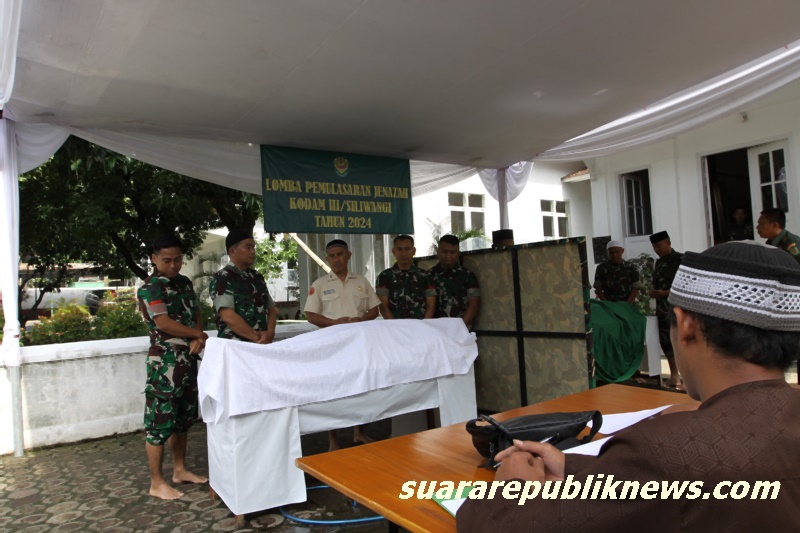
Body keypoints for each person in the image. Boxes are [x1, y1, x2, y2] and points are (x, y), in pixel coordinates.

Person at [457, 241, 800, 531]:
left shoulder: (666, 449)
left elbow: (499, 525)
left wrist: (514, 484)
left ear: (685, 326)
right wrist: (574, 468)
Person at [137, 235, 209, 500]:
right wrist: (197, 335)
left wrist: (197, 335)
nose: (174, 265)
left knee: (182, 419)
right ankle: (157, 482)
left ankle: (180, 470)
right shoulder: (151, 287)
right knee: (158, 423)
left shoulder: (184, 283)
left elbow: (197, 312)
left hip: (187, 361)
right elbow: (164, 322)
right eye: (167, 260)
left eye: (178, 259)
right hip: (164, 363)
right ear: (154, 259)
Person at [304, 239, 381, 450]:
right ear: (327, 258)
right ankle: (333, 439)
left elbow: (374, 309)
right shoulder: (319, 285)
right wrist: (333, 323)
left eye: (340, 254)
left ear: (348, 256)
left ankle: (358, 432)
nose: (337, 259)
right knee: (333, 390)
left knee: (359, 387)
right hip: (333, 346)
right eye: (332, 256)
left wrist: (362, 321)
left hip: (358, 344)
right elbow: (310, 315)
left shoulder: (361, 281)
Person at [209, 229, 278, 343]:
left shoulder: (257, 277)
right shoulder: (223, 278)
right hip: (236, 347)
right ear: (232, 251)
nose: (253, 251)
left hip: (261, 345)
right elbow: (228, 316)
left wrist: (270, 333)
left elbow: (271, 309)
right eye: (248, 247)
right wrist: (257, 338)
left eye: (253, 247)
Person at [648, 230, 683, 389]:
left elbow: (684, 286)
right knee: (667, 343)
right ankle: (674, 376)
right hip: (662, 310)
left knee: (682, 343)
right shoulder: (659, 263)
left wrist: (664, 293)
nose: (657, 249)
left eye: (659, 246)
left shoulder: (682, 260)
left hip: (678, 310)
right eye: (654, 247)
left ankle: (687, 379)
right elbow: (656, 281)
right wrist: (653, 290)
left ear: (668, 243)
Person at [376, 235, 436, 320]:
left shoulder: (425, 276)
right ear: (393, 251)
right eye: (399, 249)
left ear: (414, 251)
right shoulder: (384, 276)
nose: (403, 253)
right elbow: (383, 306)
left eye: (407, 249)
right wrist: (394, 326)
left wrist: (424, 325)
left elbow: (431, 305)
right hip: (396, 326)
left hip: (420, 325)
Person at [429, 234, 480, 329]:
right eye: (444, 252)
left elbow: (474, 304)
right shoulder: (429, 276)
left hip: (461, 330)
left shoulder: (468, 276)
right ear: (438, 252)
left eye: (452, 252)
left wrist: (460, 327)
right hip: (436, 330)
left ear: (458, 253)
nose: (448, 256)